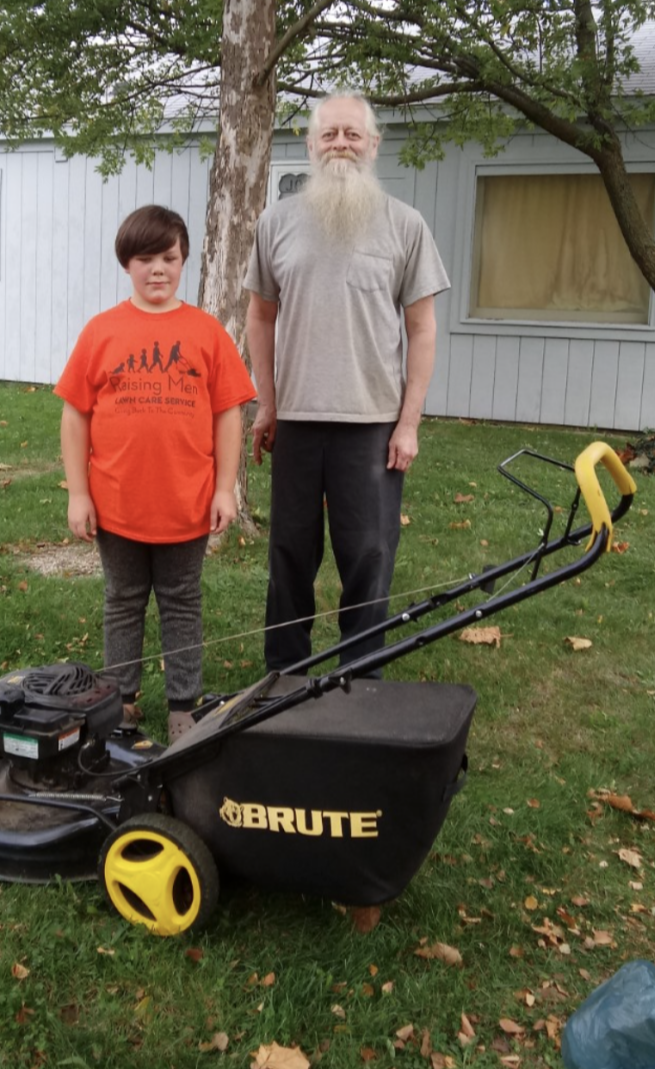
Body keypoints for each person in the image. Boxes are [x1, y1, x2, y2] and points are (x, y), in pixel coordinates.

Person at [245, 93, 450, 672]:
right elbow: (261, 317)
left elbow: (423, 329)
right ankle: (284, 677)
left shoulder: (405, 225)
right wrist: (268, 404)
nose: (340, 144)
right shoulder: (275, 224)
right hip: (298, 423)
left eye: (352, 135)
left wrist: (408, 423)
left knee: (368, 555)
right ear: (309, 145)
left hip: (373, 425)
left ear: (373, 145)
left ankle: (360, 678)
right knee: (289, 555)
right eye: (329, 134)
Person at [56, 205, 255, 744]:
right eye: (146, 259)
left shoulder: (206, 333)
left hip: (186, 504)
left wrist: (223, 488)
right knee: (122, 599)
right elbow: (74, 415)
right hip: (117, 502)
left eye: (169, 257)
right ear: (127, 264)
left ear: (184, 259)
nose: (158, 269)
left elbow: (228, 414)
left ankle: (182, 706)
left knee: (181, 600)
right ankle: (119, 702)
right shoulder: (102, 332)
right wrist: (79, 493)